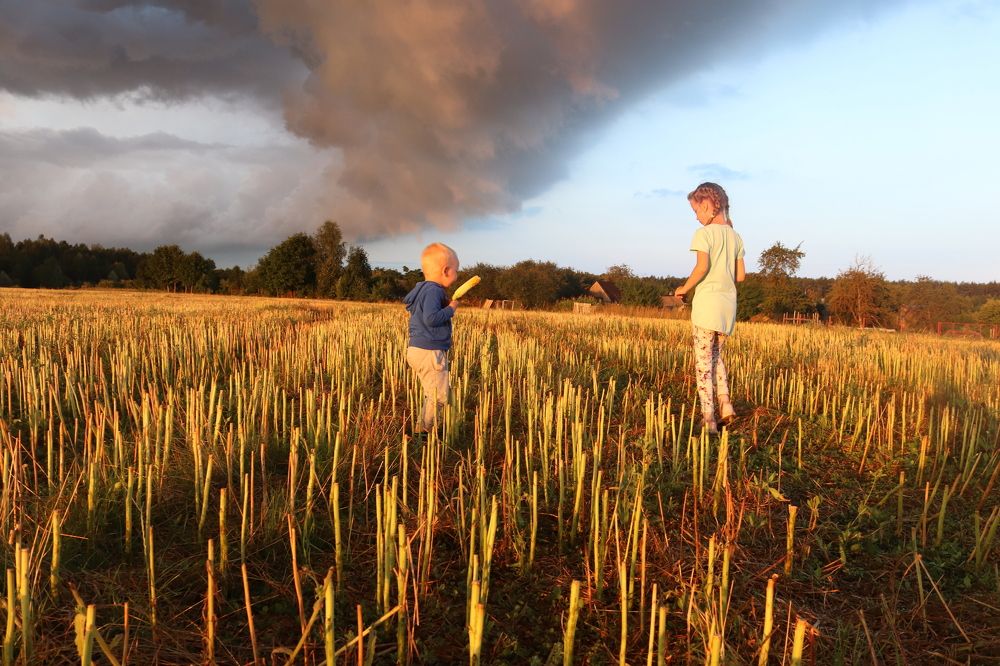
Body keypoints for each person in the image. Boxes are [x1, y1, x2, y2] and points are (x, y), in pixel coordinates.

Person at [674, 182, 746, 434]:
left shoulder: (702, 234)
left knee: (703, 363)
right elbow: (740, 276)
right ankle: (725, 403)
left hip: (706, 306)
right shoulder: (736, 237)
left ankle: (709, 419)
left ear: (707, 205)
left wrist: (685, 288)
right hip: (727, 308)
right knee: (717, 357)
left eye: (696, 210)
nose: (695, 216)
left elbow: (702, 267)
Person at [403, 242, 461, 435]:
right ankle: (424, 432)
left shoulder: (422, 290)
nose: (458, 275)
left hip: (417, 349)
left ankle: (426, 427)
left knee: (433, 392)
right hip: (430, 351)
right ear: (446, 271)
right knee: (439, 395)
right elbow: (431, 318)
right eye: (456, 270)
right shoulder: (434, 290)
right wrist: (451, 309)